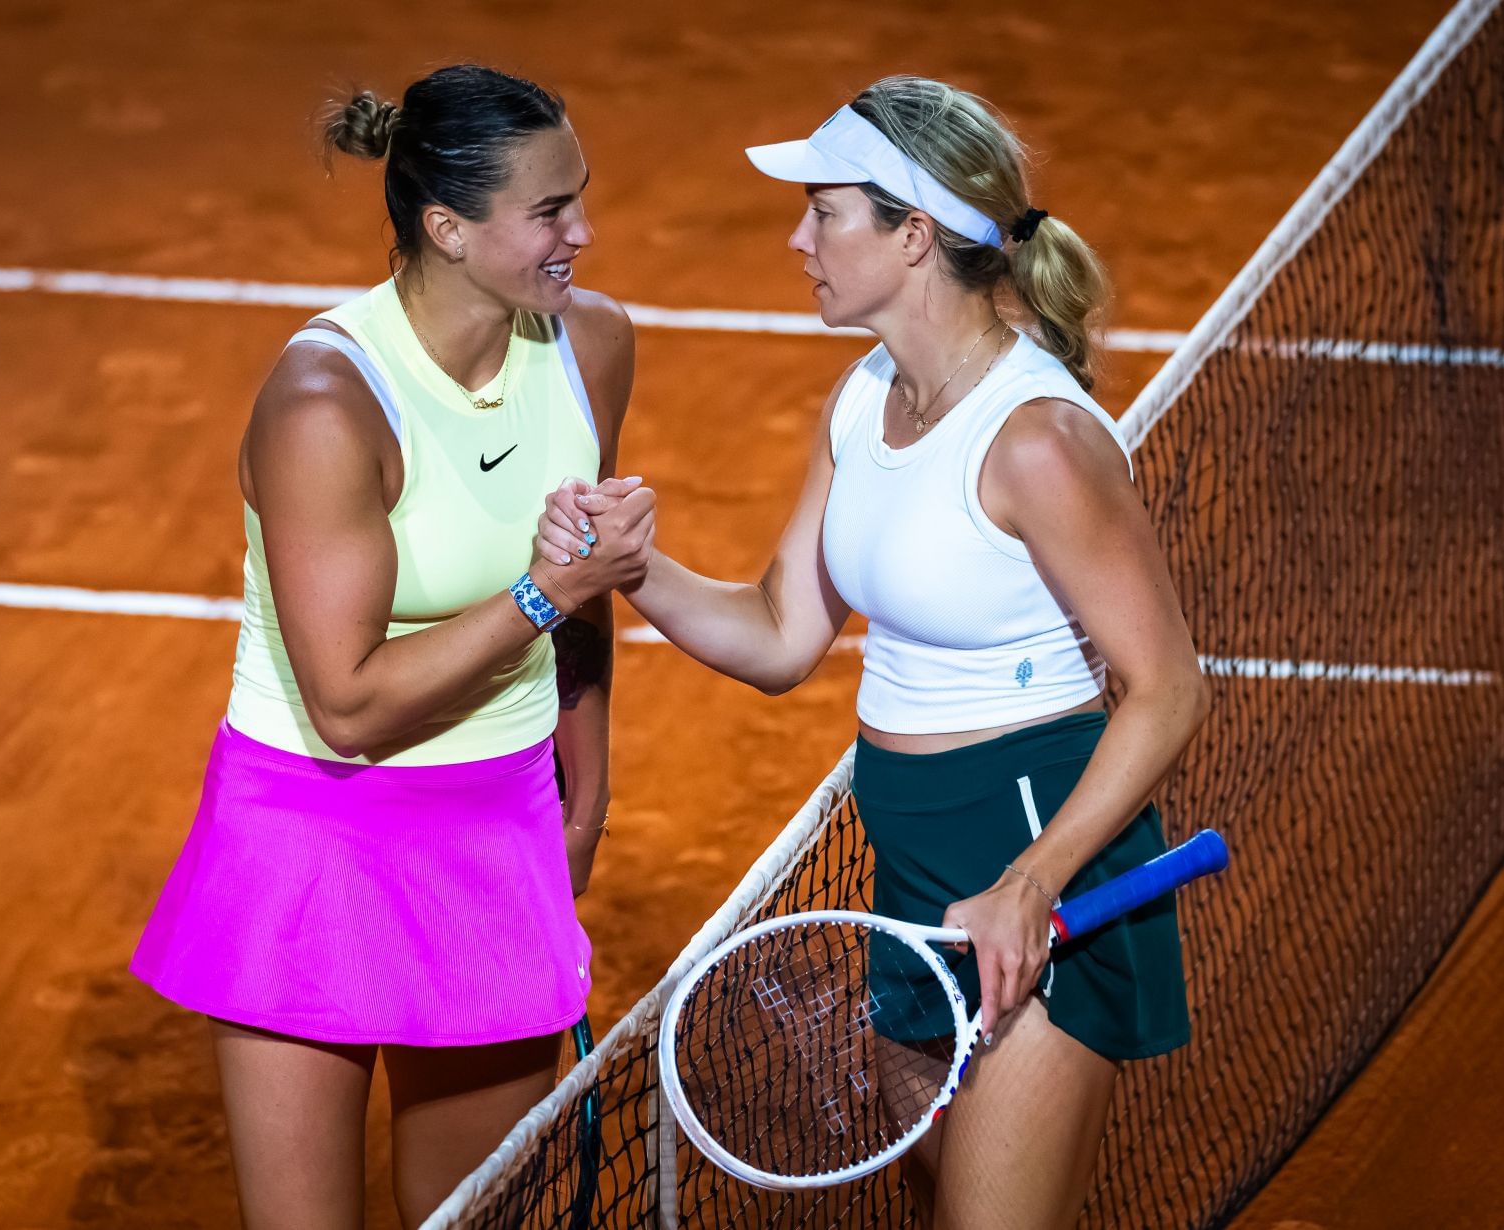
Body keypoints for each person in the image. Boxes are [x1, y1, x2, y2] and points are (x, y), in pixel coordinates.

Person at [538, 76, 1208, 1228]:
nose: (798, 238)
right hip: (911, 876)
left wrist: (1027, 885)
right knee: (944, 1199)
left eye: (826, 211)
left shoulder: (1036, 441)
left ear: (912, 234)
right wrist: (630, 567)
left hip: (1034, 864)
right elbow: (780, 634)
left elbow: (1168, 689)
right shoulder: (863, 399)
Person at [130, 64, 650, 1229]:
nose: (585, 232)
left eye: (581, 198)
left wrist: (584, 799)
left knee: (473, 1215)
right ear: (447, 227)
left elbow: (588, 591)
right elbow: (349, 706)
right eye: (551, 210)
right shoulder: (327, 404)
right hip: (311, 839)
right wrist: (538, 591)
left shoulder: (594, 346)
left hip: (494, 832)